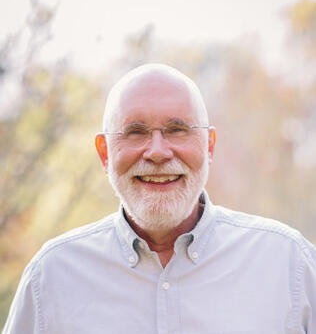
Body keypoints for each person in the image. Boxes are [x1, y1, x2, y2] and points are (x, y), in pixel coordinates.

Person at [3, 63, 316, 333]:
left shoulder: (289, 264)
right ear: (104, 153)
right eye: (135, 132)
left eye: (177, 129)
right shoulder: (52, 277)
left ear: (209, 146)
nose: (157, 152)